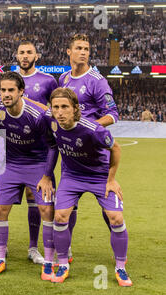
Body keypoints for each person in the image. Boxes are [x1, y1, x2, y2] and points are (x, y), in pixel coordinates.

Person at [45, 87, 131, 287]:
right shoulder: (50, 122)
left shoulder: (93, 129)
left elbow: (115, 149)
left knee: (116, 217)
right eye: (55, 107)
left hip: (100, 176)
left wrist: (111, 179)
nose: (59, 112)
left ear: (75, 108)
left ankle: (120, 267)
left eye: (64, 107)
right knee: (60, 216)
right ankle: (64, 264)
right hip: (72, 176)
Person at [0, 72, 57, 277]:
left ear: (21, 92)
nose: (6, 94)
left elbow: (53, 146)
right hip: (11, 165)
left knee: (47, 211)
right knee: (0, 210)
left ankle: (49, 261)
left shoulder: (37, 116)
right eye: (3, 90)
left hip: (38, 165)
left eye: (11, 90)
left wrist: (47, 176)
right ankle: (0, 259)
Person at [58, 34, 120, 261]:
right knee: (67, 207)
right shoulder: (63, 78)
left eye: (86, 48)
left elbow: (113, 114)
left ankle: (118, 248)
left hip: (95, 155)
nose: (83, 52)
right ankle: (67, 250)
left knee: (109, 209)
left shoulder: (97, 80)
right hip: (71, 156)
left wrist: (87, 127)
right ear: (69, 51)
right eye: (78, 48)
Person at [11, 40, 58, 264]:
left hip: (39, 149)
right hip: (10, 148)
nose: (25, 56)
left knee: (36, 197)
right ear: (16, 56)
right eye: (22, 53)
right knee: (0, 201)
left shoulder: (48, 81)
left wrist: (28, 102)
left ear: (36, 56)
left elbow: (55, 109)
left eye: (29, 52)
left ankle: (33, 247)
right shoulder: (7, 79)